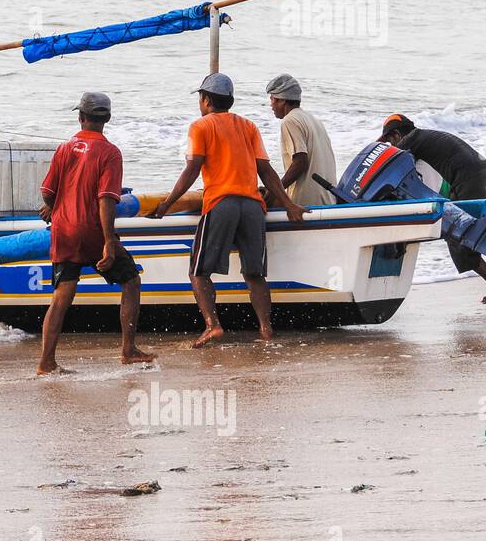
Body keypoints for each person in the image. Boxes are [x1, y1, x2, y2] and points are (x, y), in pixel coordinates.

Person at [148, 74, 306, 347]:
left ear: (206, 100)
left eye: (200, 98)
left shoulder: (200, 126)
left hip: (221, 203)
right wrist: (289, 204)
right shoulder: (248, 126)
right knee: (255, 273)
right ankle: (266, 330)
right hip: (253, 205)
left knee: (198, 271)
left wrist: (168, 203)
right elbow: (266, 171)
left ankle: (213, 325)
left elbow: (192, 169)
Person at [38, 92, 154, 374]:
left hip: (63, 230)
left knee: (62, 295)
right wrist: (109, 241)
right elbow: (105, 199)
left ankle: (46, 362)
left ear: (81, 118)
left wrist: (55, 210)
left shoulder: (65, 148)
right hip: (91, 231)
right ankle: (128, 350)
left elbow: (47, 192)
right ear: (108, 119)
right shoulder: (110, 152)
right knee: (130, 281)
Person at [380, 114, 486, 303]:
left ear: (397, 134)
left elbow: (391, 168)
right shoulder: (428, 137)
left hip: (469, 178)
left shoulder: (410, 141)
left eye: (389, 141)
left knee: (457, 236)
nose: (391, 147)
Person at [264, 73, 336, 207]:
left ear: (282, 100)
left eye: (272, 99)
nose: (271, 105)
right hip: (328, 201)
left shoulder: (290, 120)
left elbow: (300, 162)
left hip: (306, 203)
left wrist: (276, 191)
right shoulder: (314, 120)